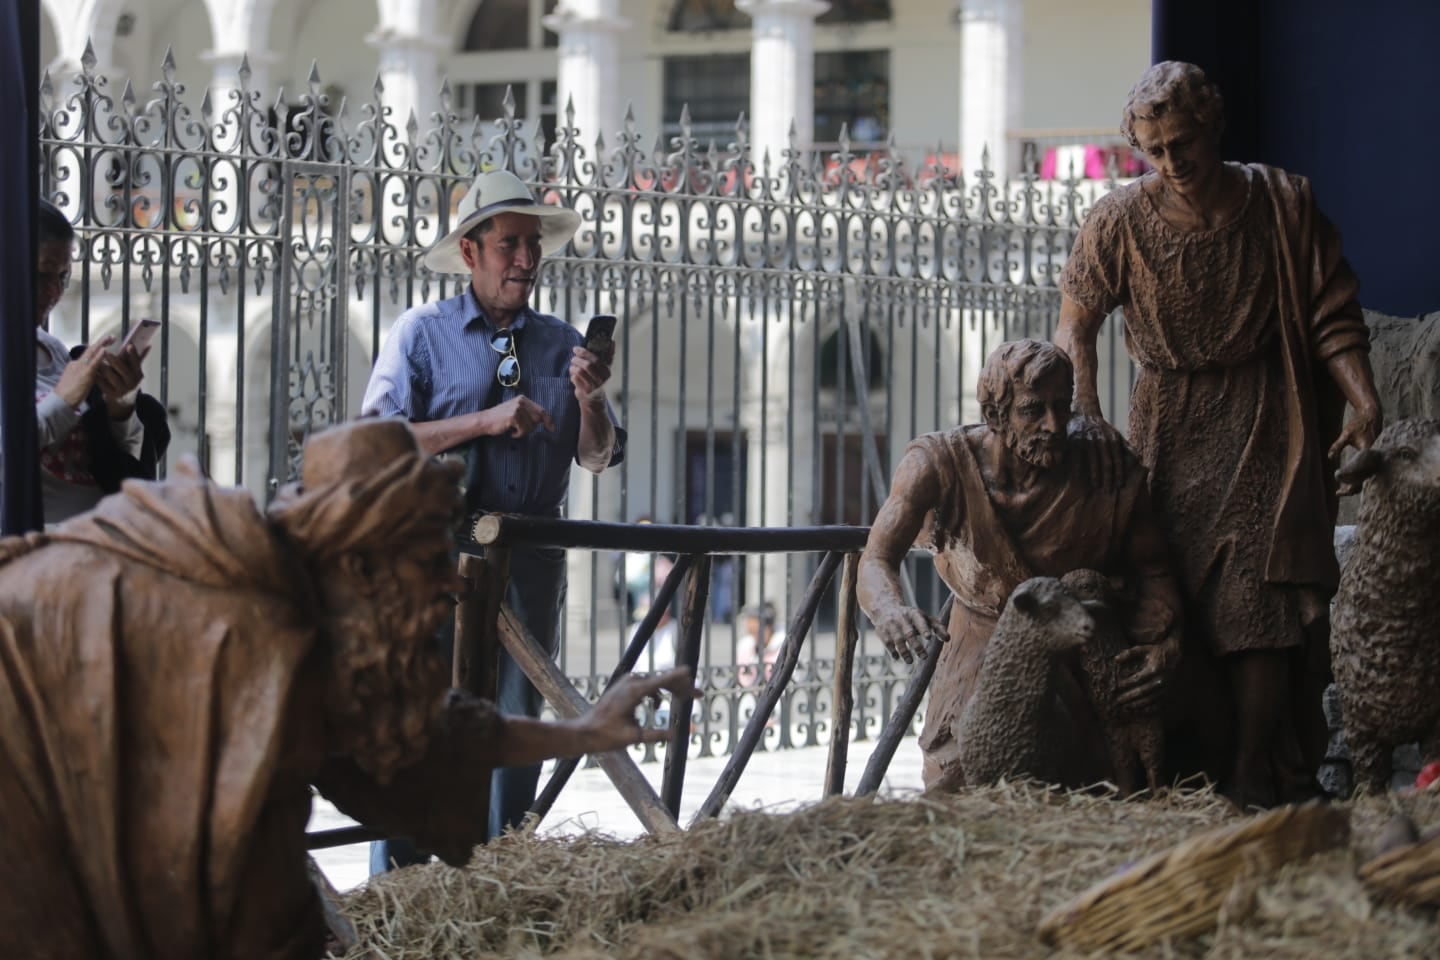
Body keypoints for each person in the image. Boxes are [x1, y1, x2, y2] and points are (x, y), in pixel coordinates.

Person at [0, 418, 696, 960]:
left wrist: (585, 734)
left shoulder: (309, 616)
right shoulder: (240, 636)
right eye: (430, 561)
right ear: (363, 562)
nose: (450, 587)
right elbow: (251, 909)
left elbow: (427, 734)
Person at [1053, 61, 1384, 808]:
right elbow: (1077, 321)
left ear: (1211, 126)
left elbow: (1333, 313)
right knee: (1164, 590)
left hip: (1263, 415)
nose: (1172, 162)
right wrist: (1087, 411)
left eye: (1182, 141)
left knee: (1257, 598)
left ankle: (1252, 770)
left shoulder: (1279, 204)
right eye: (1154, 150)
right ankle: (1181, 767)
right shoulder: (1118, 219)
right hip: (1164, 422)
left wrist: (1363, 398)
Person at [360, 169, 625, 866]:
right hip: (435, 557)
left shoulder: (562, 343)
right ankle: (404, 886)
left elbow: (598, 458)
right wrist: (482, 420)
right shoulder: (419, 334)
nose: (526, 260)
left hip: (531, 561)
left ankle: (499, 871)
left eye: (533, 245)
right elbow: (376, 442)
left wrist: (592, 400)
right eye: (510, 244)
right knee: (426, 715)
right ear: (471, 252)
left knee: (513, 724)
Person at [857, 339, 1185, 791]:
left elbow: (1156, 572)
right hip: (982, 645)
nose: (1054, 425)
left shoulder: (1105, 466)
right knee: (959, 782)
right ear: (995, 417)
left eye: (1061, 407)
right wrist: (889, 610)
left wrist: (1163, 645)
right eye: (1034, 410)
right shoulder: (936, 465)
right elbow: (876, 557)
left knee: (1092, 790)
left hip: (1081, 648)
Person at [15, 200, 158, 524]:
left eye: (62, 277)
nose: (53, 291)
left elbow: (116, 458)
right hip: (30, 557)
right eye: (40, 275)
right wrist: (62, 403)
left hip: (98, 540)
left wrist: (119, 404)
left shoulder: (52, 350)